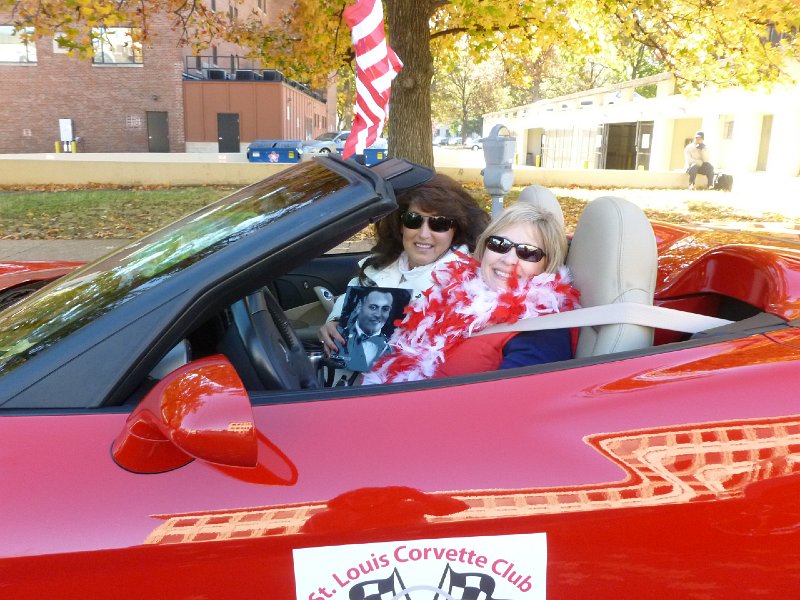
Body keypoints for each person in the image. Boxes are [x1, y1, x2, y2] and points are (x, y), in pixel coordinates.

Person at [364, 201, 580, 384]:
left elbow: (508, 407)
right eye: (500, 244)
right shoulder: (454, 292)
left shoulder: (542, 330)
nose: (508, 260)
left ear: (547, 265)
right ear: (485, 248)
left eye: (527, 252)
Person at [318, 173, 490, 355]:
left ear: (456, 229)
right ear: (400, 224)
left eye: (439, 223)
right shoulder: (384, 263)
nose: (423, 234)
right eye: (413, 220)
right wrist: (335, 321)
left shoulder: (468, 285)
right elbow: (355, 294)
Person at [337, 289, 394, 373]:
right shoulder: (339, 336)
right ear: (360, 305)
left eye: (385, 309)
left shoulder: (392, 347)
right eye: (373, 307)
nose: (378, 315)